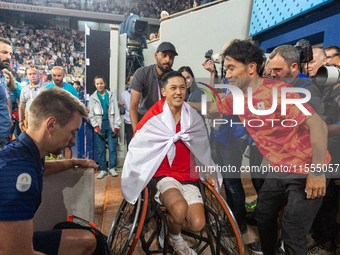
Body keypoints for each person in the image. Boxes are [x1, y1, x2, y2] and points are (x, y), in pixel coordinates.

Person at [192, 39, 331, 255]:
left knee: (292, 232)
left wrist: (317, 172)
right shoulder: (237, 98)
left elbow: (319, 127)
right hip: (281, 169)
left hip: (308, 168)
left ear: (251, 68)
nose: (227, 75)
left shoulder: (279, 93)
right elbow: (212, 110)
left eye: (231, 68)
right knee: (263, 214)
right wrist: (179, 102)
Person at [122, 71, 217, 255]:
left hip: (189, 174)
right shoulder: (154, 115)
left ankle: (171, 225)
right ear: (164, 91)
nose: (178, 92)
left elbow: (202, 146)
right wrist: (137, 173)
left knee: (198, 223)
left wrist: (209, 172)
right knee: (179, 208)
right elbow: (138, 144)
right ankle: (174, 239)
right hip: (165, 175)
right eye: (173, 88)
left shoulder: (193, 117)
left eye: (182, 87)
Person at [0, 87, 98, 255]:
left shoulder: (24, 151)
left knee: (88, 241)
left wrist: (74, 162)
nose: (73, 140)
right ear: (51, 125)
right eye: (72, 132)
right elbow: (17, 253)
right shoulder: (19, 176)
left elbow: (42, 168)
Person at [307, 53, 340, 255]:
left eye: (335, 65)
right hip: (326, 150)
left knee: (329, 201)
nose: (330, 69)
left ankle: (327, 243)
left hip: (336, 152)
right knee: (324, 199)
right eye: (327, 64)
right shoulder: (328, 91)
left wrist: (321, 127)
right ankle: (321, 237)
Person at [130, 41, 178, 132]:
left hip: (166, 124)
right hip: (145, 120)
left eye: (171, 57)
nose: (167, 60)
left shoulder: (175, 78)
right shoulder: (142, 73)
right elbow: (133, 106)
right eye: (164, 55)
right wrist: (136, 132)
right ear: (156, 56)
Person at [89, 75, 121, 179]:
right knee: (100, 149)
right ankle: (103, 169)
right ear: (95, 85)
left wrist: (116, 126)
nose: (99, 85)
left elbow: (116, 111)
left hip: (110, 124)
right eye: (97, 84)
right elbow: (91, 114)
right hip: (100, 125)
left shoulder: (111, 95)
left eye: (101, 83)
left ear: (105, 83)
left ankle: (112, 168)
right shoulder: (92, 98)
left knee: (112, 148)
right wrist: (96, 126)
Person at [45, 66, 79, 159]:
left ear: (64, 75)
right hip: (52, 123)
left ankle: (68, 169)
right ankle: (56, 169)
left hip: (67, 122)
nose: (56, 78)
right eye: (54, 75)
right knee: (53, 147)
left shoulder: (71, 89)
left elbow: (76, 106)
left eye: (59, 75)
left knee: (67, 146)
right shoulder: (46, 89)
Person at [0, 37, 13, 148]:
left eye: (10, 54)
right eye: (4, 52)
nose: (8, 57)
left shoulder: (2, 75)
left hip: (4, 133)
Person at [3, 69, 21, 138]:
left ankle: (19, 147)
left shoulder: (15, 88)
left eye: (8, 78)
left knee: (17, 132)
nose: (6, 79)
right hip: (3, 114)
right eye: (4, 77)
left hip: (14, 114)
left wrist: (20, 112)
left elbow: (20, 100)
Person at [120, 74, 133, 150]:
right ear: (128, 82)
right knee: (130, 142)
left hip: (139, 121)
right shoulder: (124, 94)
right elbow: (122, 111)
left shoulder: (141, 93)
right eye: (131, 81)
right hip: (128, 122)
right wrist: (121, 105)